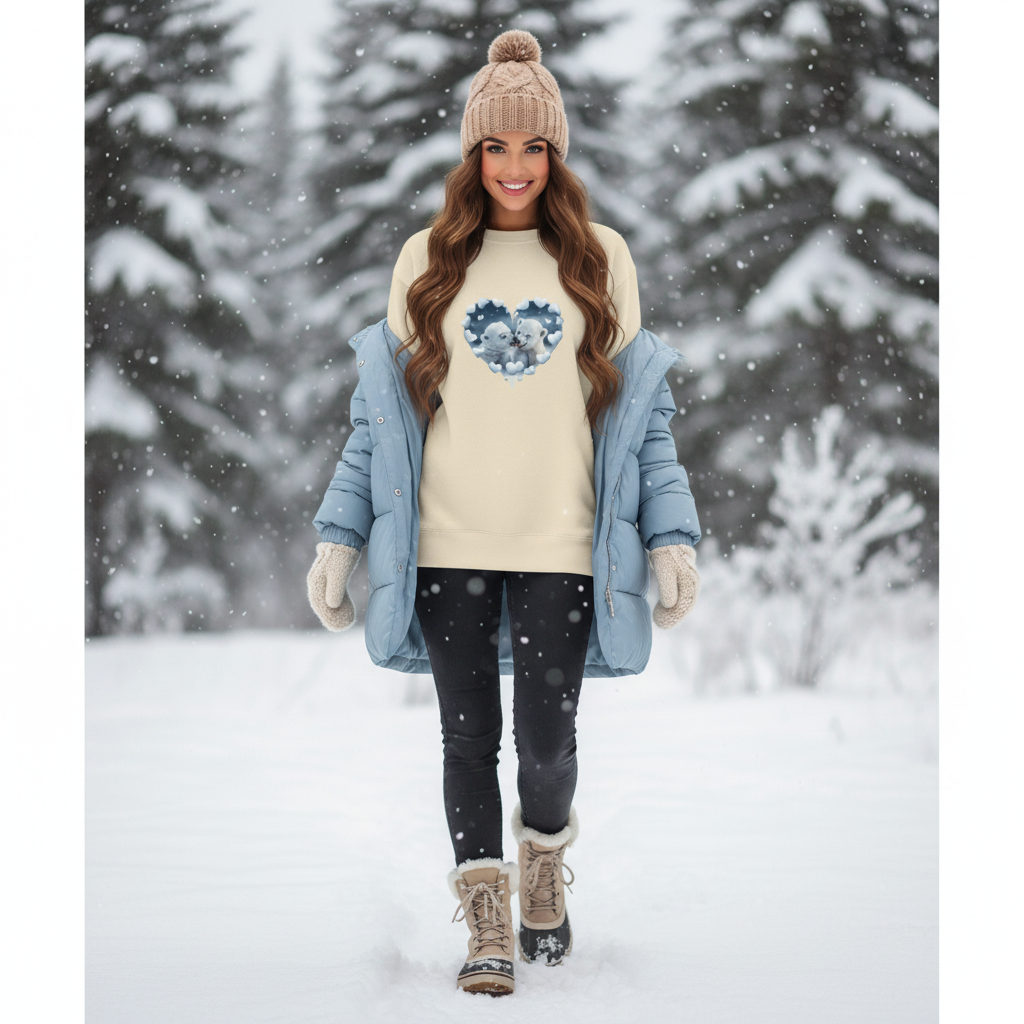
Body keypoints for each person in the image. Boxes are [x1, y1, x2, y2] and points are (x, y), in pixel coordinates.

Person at [306, 29, 701, 997]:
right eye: (495, 147)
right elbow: (379, 425)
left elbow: (641, 425)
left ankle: (540, 868)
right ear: (471, 155)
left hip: (562, 544)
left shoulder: (600, 258)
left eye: (532, 147)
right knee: (463, 736)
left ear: (555, 154)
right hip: (447, 540)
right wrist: (338, 532)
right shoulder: (428, 258)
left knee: (547, 741)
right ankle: (485, 917)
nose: (515, 167)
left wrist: (671, 534)